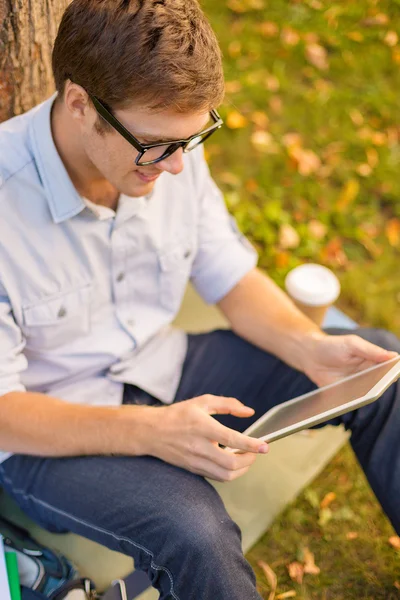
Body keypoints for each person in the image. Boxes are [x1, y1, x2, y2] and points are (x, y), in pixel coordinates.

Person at [0, 1, 398, 598]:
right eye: (159, 146)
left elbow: (227, 272)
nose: (181, 166)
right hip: (50, 432)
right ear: (81, 104)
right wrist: (152, 432)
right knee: (196, 532)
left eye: (196, 137)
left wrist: (309, 348)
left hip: (163, 364)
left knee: (383, 366)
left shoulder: (166, 139)